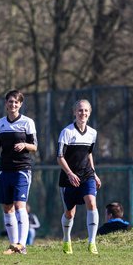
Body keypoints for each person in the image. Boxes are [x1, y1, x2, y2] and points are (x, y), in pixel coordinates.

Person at [0, 89, 38, 255]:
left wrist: (25, 145)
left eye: (16, 102)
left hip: (22, 169)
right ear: (6, 103)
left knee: (20, 206)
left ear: (20, 104)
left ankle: (22, 245)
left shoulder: (27, 122)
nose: (13, 104)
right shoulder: (0, 123)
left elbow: (34, 147)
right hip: (5, 169)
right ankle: (13, 245)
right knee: (7, 208)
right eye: (10, 101)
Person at [57, 99, 101, 255]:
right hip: (69, 178)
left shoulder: (92, 133)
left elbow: (89, 154)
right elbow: (60, 157)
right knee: (70, 213)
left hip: (87, 175)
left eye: (86, 111)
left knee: (92, 203)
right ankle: (66, 240)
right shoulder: (67, 132)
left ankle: (92, 243)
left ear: (89, 113)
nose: (83, 113)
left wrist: (94, 174)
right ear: (74, 112)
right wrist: (69, 173)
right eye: (80, 110)